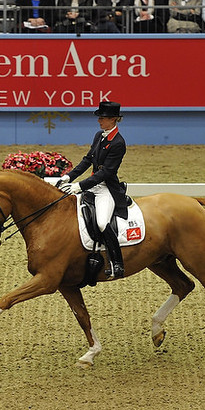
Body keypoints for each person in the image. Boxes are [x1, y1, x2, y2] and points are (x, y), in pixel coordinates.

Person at [57, 101, 128, 279]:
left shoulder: (118, 143)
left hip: (106, 189)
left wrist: (79, 186)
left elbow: (106, 172)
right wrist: (69, 177)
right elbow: (88, 159)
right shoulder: (99, 136)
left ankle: (117, 263)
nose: (99, 121)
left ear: (113, 119)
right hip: (91, 185)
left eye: (102, 118)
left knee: (103, 223)